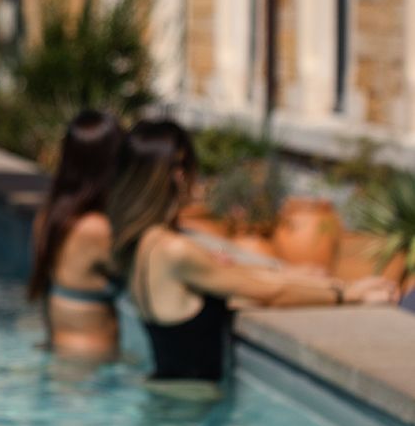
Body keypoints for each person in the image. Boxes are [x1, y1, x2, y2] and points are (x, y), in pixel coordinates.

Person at [109, 119, 398, 387]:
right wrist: (347, 295)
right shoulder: (176, 250)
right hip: (191, 410)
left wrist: (298, 275)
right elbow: (269, 292)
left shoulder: (142, 243)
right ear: (178, 174)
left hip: (168, 395)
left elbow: (231, 277)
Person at [28, 109, 125, 360]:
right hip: (92, 362)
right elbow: (144, 269)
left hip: (61, 350)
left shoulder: (49, 217)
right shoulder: (97, 230)